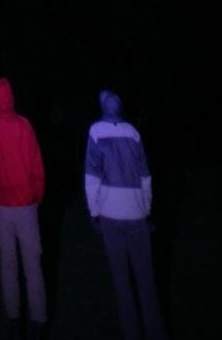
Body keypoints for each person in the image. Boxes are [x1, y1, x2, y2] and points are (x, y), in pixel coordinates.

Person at [84, 90, 167, 340]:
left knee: (122, 282)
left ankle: (132, 334)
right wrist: (146, 208)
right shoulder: (133, 133)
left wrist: (94, 212)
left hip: (110, 214)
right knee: (146, 280)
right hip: (136, 214)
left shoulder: (96, 132)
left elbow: (92, 177)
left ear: (103, 109)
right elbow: (145, 176)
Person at [0, 77, 48, 339]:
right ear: (11, 97)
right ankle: (39, 322)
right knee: (33, 264)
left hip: (1, 205)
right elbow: (36, 163)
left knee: (8, 264)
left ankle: (14, 320)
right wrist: (36, 194)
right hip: (25, 205)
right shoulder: (23, 125)